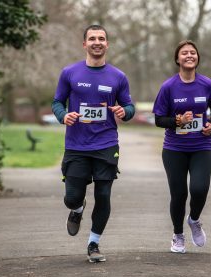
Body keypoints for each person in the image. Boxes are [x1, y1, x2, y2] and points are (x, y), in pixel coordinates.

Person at [51, 24, 135, 263]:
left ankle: (94, 243)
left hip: (106, 143)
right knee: (72, 197)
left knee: (104, 194)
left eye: (101, 38)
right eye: (92, 38)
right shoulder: (70, 72)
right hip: (76, 145)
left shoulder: (118, 76)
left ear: (107, 44)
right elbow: (57, 102)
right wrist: (63, 115)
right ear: (84, 44)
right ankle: (77, 209)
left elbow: (129, 106)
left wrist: (124, 111)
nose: (97, 42)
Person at [152, 40, 211, 253]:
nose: (189, 55)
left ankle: (194, 220)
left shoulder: (207, 84)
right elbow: (159, 119)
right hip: (174, 149)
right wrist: (177, 122)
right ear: (177, 59)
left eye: (193, 52)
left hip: (201, 146)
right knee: (179, 194)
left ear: (197, 57)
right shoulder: (168, 87)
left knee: (199, 189)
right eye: (184, 53)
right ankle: (178, 235)